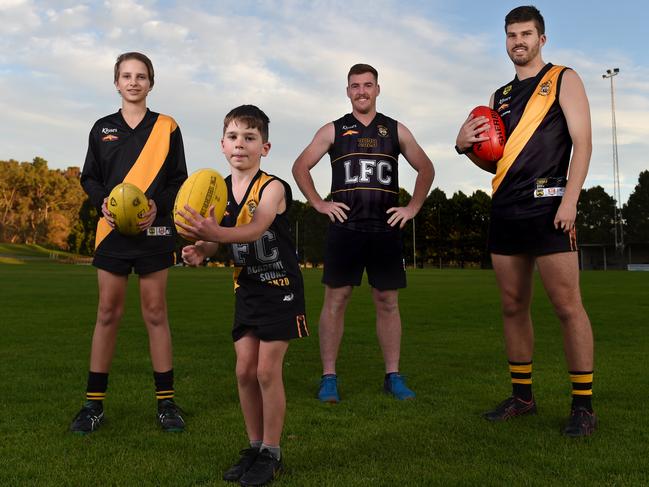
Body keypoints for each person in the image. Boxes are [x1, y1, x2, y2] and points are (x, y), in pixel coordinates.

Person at [455, 6, 596, 437]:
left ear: (542, 39)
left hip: (551, 209)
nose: (519, 41)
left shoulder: (563, 79)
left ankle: (583, 406)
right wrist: (463, 146)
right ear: (506, 41)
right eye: (512, 34)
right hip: (506, 210)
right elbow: (496, 163)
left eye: (527, 33)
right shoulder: (498, 97)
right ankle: (522, 397)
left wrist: (571, 201)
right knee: (513, 306)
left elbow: (583, 144)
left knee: (567, 307)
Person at [177, 105, 308, 486]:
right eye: (233, 137)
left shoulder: (273, 187)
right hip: (247, 288)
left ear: (264, 148)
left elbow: (254, 229)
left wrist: (211, 235)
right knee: (244, 371)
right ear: (222, 144)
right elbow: (216, 242)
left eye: (250, 138)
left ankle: (273, 452)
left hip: (281, 288)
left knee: (267, 371)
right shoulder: (214, 189)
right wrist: (201, 250)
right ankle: (254, 447)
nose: (241, 145)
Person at [292, 64, 434, 402]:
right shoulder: (334, 130)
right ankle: (329, 377)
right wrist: (319, 203)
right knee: (336, 300)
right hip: (346, 228)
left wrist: (412, 208)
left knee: (387, 301)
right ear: (347, 91)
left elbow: (426, 167)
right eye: (355, 86)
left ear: (377, 89)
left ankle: (393, 375)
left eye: (367, 85)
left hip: (385, 230)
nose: (361, 91)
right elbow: (300, 166)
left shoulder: (395, 129)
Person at [70, 52, 188, 434]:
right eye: (126, 76)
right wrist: (101, 201)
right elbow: (88, 177)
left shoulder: (168, 126)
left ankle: (166, 404)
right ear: (116, 83)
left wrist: (158, 206)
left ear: (151, 83)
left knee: (156, 313)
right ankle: (93, 406)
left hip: (153, 232)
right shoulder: (102, 127)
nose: (134, 82)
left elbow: (178, 180)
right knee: (108, 313)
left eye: (141, 76)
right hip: (111, 234)